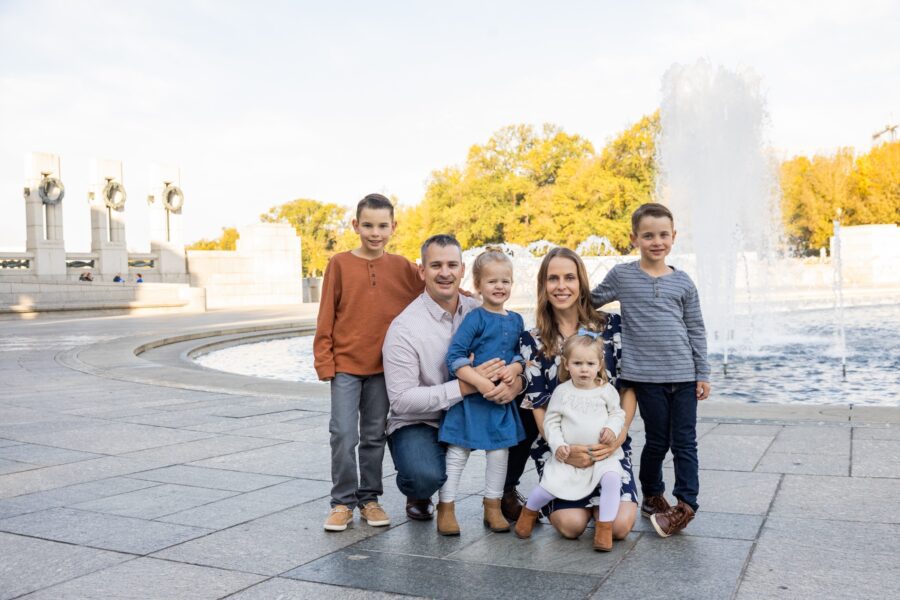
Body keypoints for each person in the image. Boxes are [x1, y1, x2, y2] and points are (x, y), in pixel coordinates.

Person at [590, 202, 710, 537]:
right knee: (657, 441)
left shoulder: (683, 282)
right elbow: (590, 301)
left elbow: (696, 328)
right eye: (648, 236)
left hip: (684, 376)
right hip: (644, 377)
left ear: (673, 236)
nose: (656, 241)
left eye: (663, 235)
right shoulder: (623, 276)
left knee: (684, 442)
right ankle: (653, 494)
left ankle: (686, 506)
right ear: (634, 238)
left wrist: (703, 372)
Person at [382, 235, 517, 523]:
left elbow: (514, 351)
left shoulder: (478, 310)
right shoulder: (404, 329)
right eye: (436, 265)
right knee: (425, 476)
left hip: (474, 409)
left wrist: (515, 382)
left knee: (525, 419)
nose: (445, 273)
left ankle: (505, 491)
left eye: (452, 265)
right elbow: (402, 400)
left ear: (463, 269)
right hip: (422, 419)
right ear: (422, 271)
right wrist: (467, 385)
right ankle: (418, 489)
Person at [508, 246, 639, 542]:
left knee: (618, 527)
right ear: (544, 285)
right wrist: (564, 449)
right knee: (570, 526)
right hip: (561, 450)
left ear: (581, 282)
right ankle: (573, 503)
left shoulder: (611, 327)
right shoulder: (532, 340)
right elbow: (539, 406)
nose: (561, 286)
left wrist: (618, 436)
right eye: (553, 279)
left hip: (608, 447)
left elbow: (628, 388)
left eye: (569, 277)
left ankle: (602, 506)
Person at [313, 193, 424, 532]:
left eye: (382, 226)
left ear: (393, 226)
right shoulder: (339, 264)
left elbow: (435, 287)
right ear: (355, 225)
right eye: (368, 225)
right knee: (343, 434)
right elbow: (326, 315)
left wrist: (474, 296)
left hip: (383, 369)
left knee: (374, 435)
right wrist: (324, 361)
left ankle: (369, 499)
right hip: (346, 365)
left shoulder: (402, 266)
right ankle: (341, 503)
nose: (375, 233)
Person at [436, 249, 525, 536]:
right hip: (472, 401)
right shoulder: (475, 318)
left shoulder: (516, 321)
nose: (499, 287)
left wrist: (517, 368)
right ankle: (446, 507)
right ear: (478, 285)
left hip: (499, 403)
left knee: (499, 453)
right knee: (458, 452)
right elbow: (455, 357)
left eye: (505, 281)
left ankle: (492, 506)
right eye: (492, 282)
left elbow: (521, 354)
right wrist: (481, 383)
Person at [514, 332, 626, 551]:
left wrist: (611, 429)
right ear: (566, 364)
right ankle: (528, 513)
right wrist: (558, 445)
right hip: (568, 457)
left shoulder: (606, 390)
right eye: (577, 363)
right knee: (548, 487)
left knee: (612, 479)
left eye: (590, 363)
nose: (584, 369)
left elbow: (617, 414)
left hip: (602, 455)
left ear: (599, 364)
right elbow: (551, 422)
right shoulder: (562, 392)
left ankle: (604, 529)